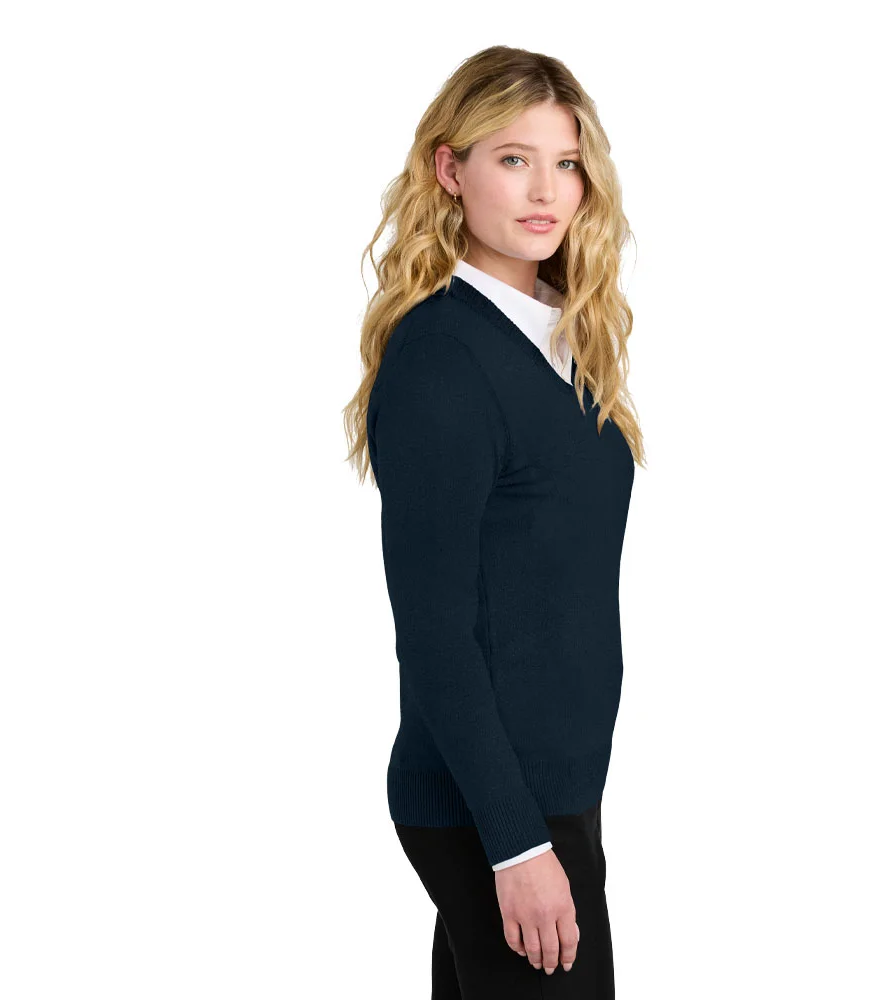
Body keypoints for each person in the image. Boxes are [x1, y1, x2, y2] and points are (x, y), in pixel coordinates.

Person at [343, 44, 644, 999]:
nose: (546, 191)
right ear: (450, 168)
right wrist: (515, 842)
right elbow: (433, 629)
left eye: (567, 163)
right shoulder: (443, 357)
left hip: (550, 789)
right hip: (497, 807)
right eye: (514, 159)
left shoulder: (554, 334)